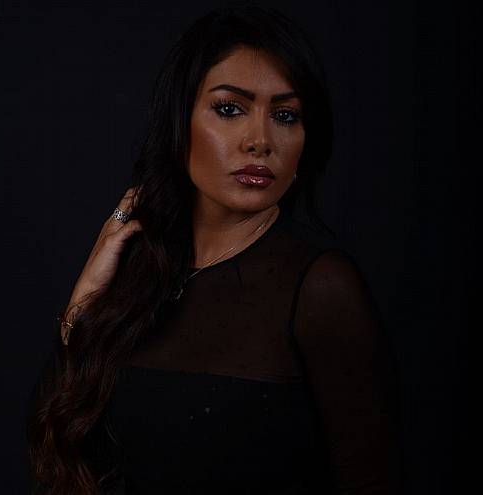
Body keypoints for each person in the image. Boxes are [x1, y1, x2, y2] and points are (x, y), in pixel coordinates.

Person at [26, 3, 404, 494]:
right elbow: (57, 455)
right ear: (179, 119)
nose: (260, 141)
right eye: (230, 109)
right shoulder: (139, 273)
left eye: (285, 115)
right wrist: (84, 302)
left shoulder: (319, 287)